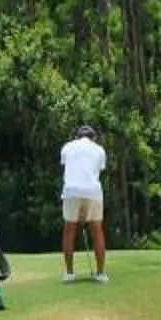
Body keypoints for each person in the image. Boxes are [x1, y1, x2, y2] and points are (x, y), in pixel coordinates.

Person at [60, 121, 110, 284]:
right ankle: (101, 273)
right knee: (96, 229)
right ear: (93, 138)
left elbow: (69, 168)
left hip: (71, 191)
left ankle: (69, 273)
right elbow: (95, 172)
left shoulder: (67, 147)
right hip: (93, 191)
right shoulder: (99, 150)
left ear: (77, 137)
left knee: (69, 229)